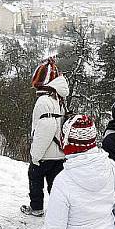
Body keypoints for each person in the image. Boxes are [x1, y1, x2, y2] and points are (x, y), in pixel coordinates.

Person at [21, 58, 69, 217]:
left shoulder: (43, 101)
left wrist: (36, 155)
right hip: (59, 153)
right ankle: (60, 212)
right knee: (55, 186)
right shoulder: (59, 99)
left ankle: (36, 208)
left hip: (46, 153)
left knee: (35, 178)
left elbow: (46, 129)